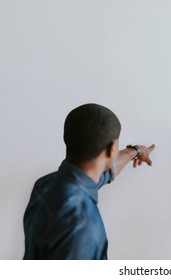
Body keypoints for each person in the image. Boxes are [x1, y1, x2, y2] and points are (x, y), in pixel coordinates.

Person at [23, 103, 155, 260]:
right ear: (112, 149)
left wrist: (136, 151)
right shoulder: (82, 227)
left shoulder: (45, 184)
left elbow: (105, 173)